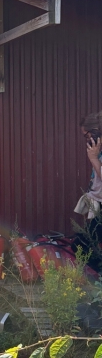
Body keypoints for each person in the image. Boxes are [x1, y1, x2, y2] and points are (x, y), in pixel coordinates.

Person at [73, 113, 102, 267]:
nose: (87, 140)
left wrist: (93, 159)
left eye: (87, 136)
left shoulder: (96, 155)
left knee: (81, 245)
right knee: (84, 242)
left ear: (96, 132)